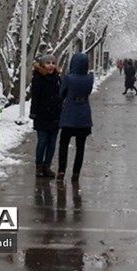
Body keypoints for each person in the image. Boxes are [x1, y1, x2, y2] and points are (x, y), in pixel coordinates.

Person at [57, 53, 94, 182]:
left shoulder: (68, 78)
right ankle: (76, 173)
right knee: (80, 146)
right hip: (84, 114)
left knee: (63, 144)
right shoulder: (90, 78)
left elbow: (61, 93)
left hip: (69, 113)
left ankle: (61, 170)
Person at [30, 54, 62, 178]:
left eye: (53, 63)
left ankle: (47, 166)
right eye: (48, 63)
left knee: (52, 143)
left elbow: (61, 94)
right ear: (43, 64)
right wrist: (33, 113)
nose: (51, 66)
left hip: (55, 114)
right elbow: (35, 97)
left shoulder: (58, 78)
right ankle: (39, 166)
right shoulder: (38, 78)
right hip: (42, 115)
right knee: (42, 141)